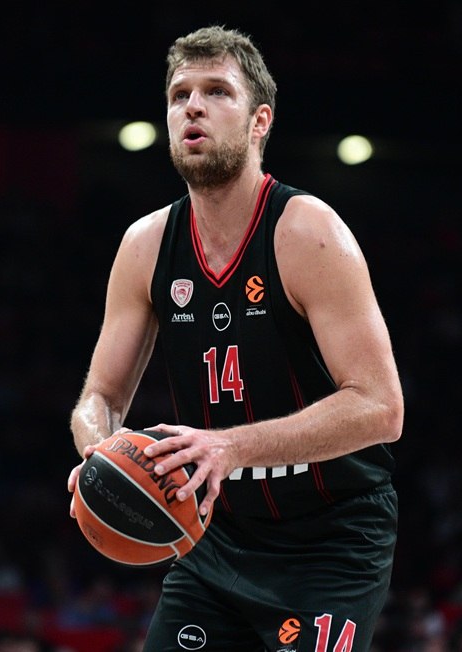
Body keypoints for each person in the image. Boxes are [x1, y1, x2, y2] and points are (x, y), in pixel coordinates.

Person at [66, 24, 404, 651]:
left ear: (259, 122)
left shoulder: (308, 232)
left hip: (331, 540)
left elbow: (382, 408)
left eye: (217, 91)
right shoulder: (145, 246)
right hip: (215, 537)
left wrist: (227, 448)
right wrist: (99, 452)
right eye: (180, 95)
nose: (192, 107)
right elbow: (99, 397)